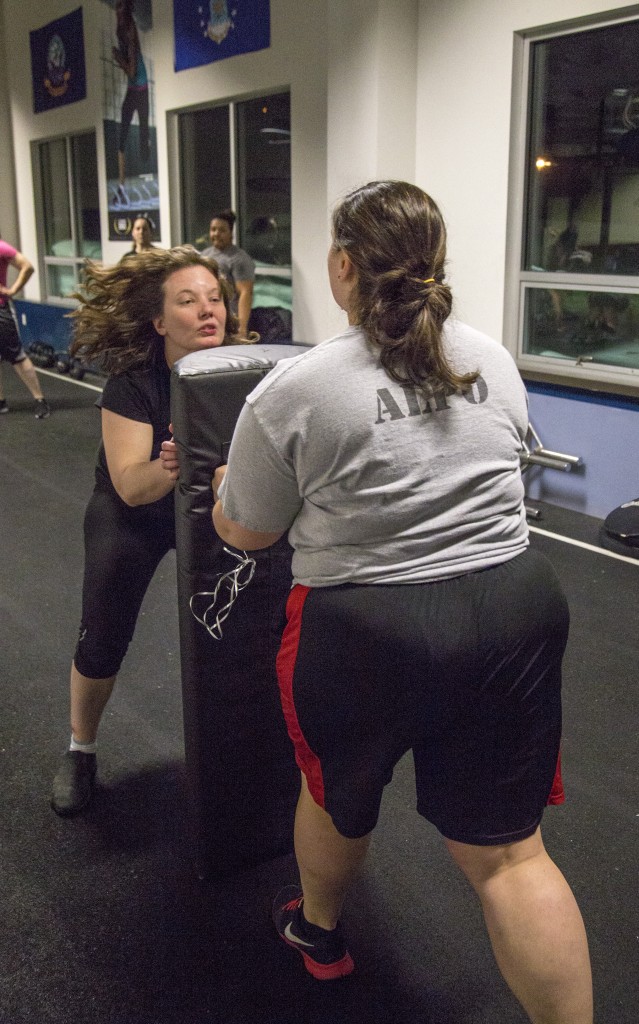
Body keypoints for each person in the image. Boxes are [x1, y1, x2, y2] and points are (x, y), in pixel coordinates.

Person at [209, 182, 593, 1022]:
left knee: (337, 794)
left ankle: (317, 931)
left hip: (366, 629)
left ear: (342, 266)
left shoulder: (295, 390)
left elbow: (246, 535)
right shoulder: (490, 356)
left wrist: (221, 494)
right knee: (510, 859)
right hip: (512, 609)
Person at [50, 245, 253, 817]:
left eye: (215, 299)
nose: (208, 311)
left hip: (205, 509)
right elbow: (132, 485)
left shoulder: (243, 371)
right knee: (105, 629)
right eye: (188, 302)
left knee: (237, 624)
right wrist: (172, 465)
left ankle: (239, 752)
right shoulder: (134, 384)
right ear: (161, 322)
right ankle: (80, 748)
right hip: (134, 512)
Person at [0, 233, 50, 418]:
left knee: (17, 356)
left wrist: (12, 290)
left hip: (1, 311)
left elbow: (27, 267)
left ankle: (40, 400)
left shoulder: (2, 247)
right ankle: (1, 402)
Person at [112, 0, 149, 207]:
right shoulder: (121, 30)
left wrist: (118, 58)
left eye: (121, 7)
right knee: (122, 138)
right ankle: (122, 186)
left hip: (141, 90)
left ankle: (135, 181)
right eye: (117, 7)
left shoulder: (129, 32)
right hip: (133, 89)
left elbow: (133, 71)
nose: (118, 11)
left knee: (144, 136)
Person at [201, 210, 255, 337]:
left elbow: (246, 293)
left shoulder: (240, 259)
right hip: (208, 317)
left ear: (231, 233)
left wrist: (241, 329)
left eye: (222, 230)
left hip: (229, 324)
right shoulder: (204, 255)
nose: (216, 234)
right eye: (213, 229)